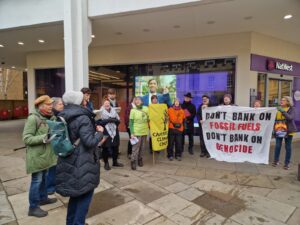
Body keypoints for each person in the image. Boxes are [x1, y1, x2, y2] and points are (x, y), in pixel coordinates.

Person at [55, 91, 104, 225]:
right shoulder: (82, 117)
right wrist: (100, 133)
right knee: (85, 196)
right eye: (83, 99)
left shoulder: (63, 114)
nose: (85, 100)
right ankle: (78, 222)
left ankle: (71, 222)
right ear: (79, 101)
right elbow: (89, 142)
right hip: (83, 162)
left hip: (69, 158)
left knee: (75, 196)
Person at [22, 95, 58, 217]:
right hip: (37, 157)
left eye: (51, 104)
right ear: (40, 106)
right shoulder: (33, 119)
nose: (51, 107)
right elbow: (26, 138)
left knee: (44, 178)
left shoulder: (50, 117)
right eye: (48, 105)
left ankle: (43, 198)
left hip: (46, 156)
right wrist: (44, 138)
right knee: (36, 181)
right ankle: (33, 207)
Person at [97, 98, 123, 170]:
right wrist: (108, 120)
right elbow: (98, 122)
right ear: (103, 104)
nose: (107, 104)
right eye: (105, 103)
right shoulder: (100, 112)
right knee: (105, 148)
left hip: (115, 131)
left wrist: (114, 120)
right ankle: (106, 163)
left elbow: (118, 121)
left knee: (116, 147)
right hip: (105, 132)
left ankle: (115, 162)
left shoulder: (114, 111)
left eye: (108, 103)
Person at [272, 96, 297, 170]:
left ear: (288, 102)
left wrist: (282, 111)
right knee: (277, 146)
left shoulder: (292, 109)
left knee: (288, 147)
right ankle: (276, 161)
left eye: (284, 100)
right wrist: (274, 129)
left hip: (288, 130)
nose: (281, 101)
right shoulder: (277, 109)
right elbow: (275, 119)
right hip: (279, 129)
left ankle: (287, 163)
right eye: (281, 100)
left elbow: (290, 118)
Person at [46, 97, 64, 195]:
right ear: (54, 106)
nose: (62, 105)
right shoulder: (52, 116)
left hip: (59, 144)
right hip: (53, 145)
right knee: (52, 167)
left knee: (57, 166)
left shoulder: (60, 114)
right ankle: (49, 187)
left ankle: (54, 184)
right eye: (60, 104)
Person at [129, 96, 149, 170]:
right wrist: (132, 132)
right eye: (136, 100)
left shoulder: (146, 109)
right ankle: (133, 161)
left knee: (142, 147)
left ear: (142, 101)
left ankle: (140, 159)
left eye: (139, 100)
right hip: (136, 132)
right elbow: (131, 123)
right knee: (135, 148)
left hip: (144, 131)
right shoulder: (133, 110)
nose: (137, 101)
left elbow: (149, 118)